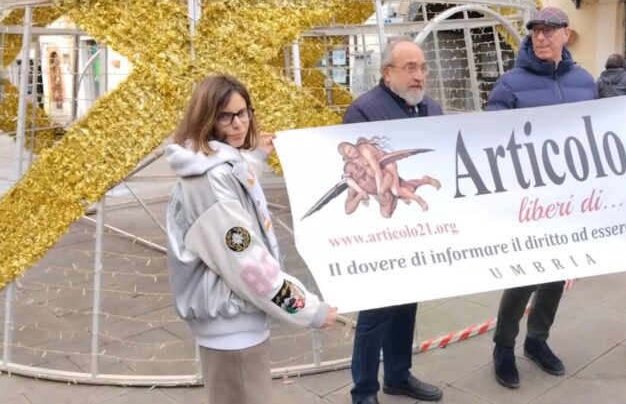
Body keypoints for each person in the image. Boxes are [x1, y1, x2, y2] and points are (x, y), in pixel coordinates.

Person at [165, 74, 337, 404]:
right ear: (206, 119)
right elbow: (248, 265)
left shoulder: (215, 166)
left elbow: (235, 195)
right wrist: (310, 310)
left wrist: (254, 158)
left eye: (243, 113)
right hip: (233, 329)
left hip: (233, 323)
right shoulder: (210, 180)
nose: (238, 124)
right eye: (225, 116)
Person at [485, 6, 597, 389]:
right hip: (527, 204)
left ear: (567, 34)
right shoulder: (510, 84)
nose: (541, 37)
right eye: (535, 30)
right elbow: (492, 141)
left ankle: (537, 340)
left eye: (550, 30)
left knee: (556, 275)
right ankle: (503, 346)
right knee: (523, 277)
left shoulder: (585, 82)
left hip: (570, 202)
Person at [344, 37, 443, 404]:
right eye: (410, 68)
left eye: (422, 68)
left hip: (417, 229)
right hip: (381, 229)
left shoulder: (432, 108)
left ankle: (398, 376)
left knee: (407, 305)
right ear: (388, 73)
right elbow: (361, 172)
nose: (419, 76)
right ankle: (364, 390)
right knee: (375, 311)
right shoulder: (363, 112)